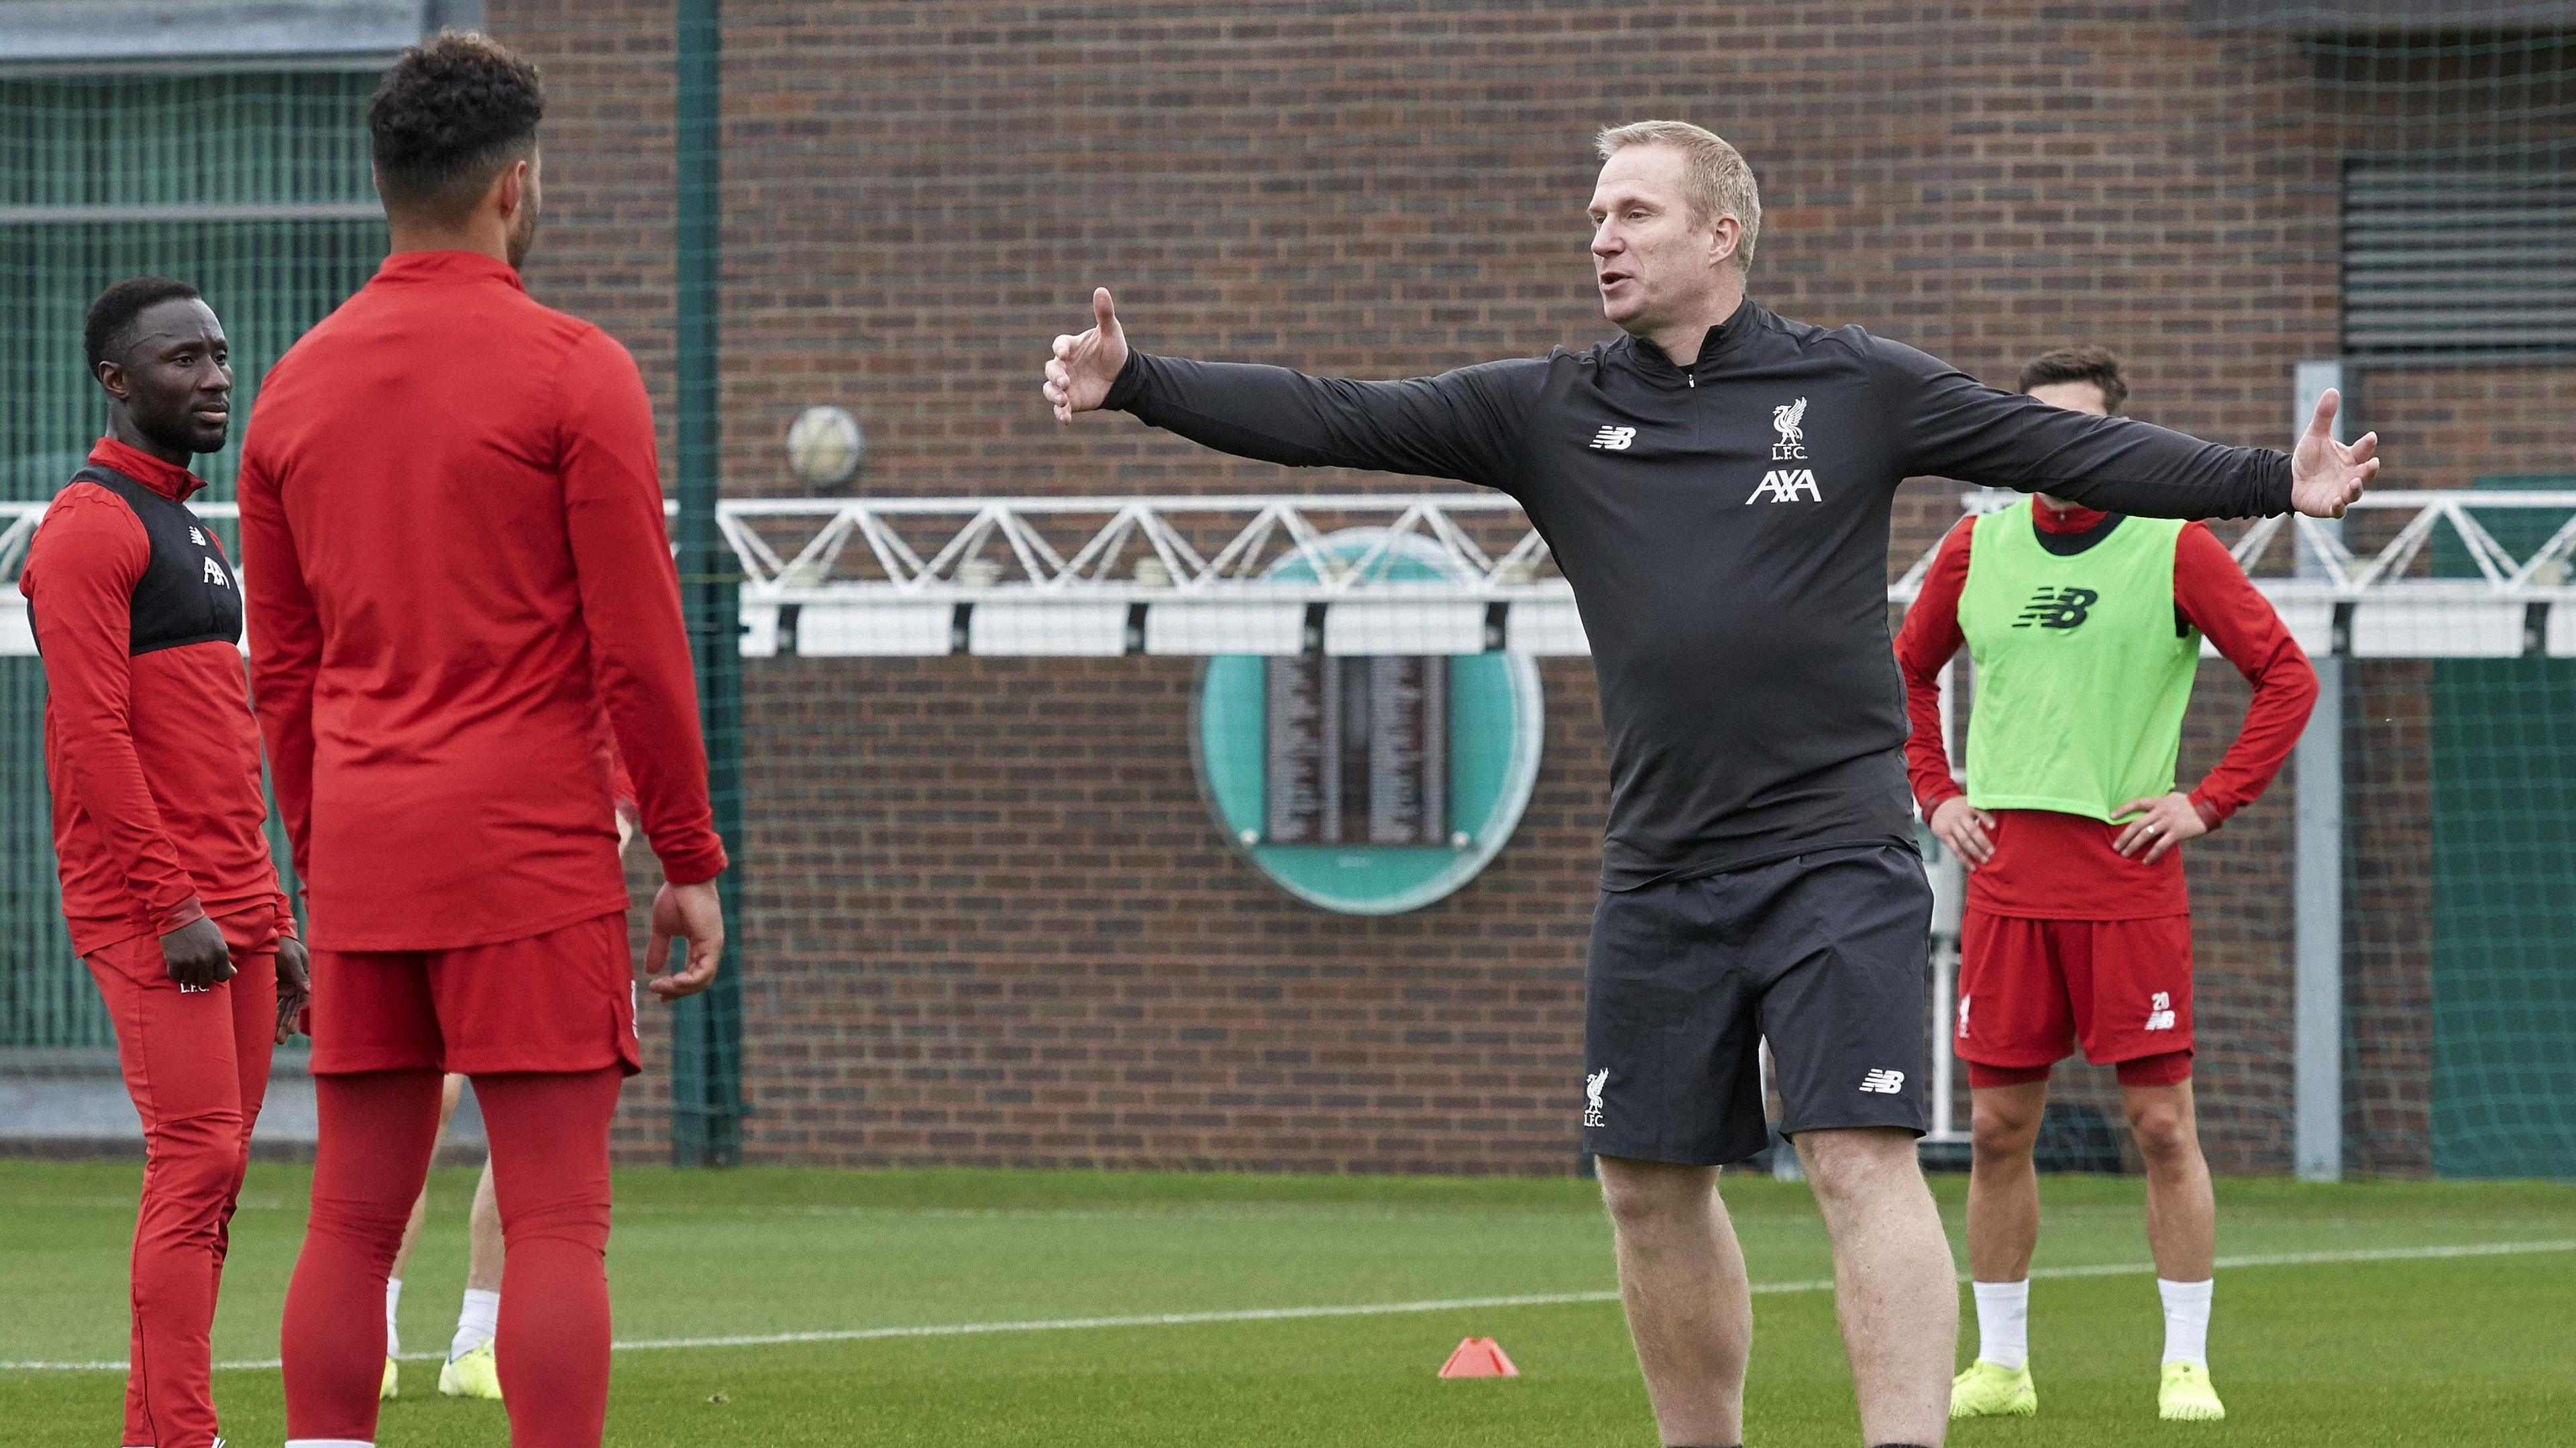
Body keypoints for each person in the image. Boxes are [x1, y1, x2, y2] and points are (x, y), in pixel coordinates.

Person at [1041, 120, 2377, 1448]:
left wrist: (2277, 482)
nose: (1601, 238)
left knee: (1859, 1153)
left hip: (1834, 849)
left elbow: (2070, 455)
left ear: (1720, 233)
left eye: (1631, 213)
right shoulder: (1548, 406)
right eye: (1594, 219)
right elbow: (1338, 415)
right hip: (1661, 862)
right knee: (1641, 1184)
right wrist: (1141, 377)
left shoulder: (1856, 384)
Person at [239, 32, 729, 1448]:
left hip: (372, 856)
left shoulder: (291, 391)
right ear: (515, 187)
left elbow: (286, 675)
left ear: (383, 183)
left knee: (349, 1212)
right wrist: (688, 854)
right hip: (527, 854)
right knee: (560, 1216)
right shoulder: (577, 370)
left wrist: (327, 861)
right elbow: (640, 648)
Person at [1895, 347, 2320, 1424]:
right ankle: (2002, 1362)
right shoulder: (1972, 548)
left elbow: (2287, 675)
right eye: (2039, 430)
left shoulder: (2174, 546)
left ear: (2121, 441)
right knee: (1995, 1129)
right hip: (2004, 883)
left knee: (2162, 1126)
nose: (2059, 451)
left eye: (2082, 430)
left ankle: (2185, 1362)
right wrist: (1936, 791)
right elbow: (1903, 669)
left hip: (2129, 878)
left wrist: (2209, 799)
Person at [20, 276, 311, 1448]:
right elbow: (94, 739)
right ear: (116, 380)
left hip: (231, 903)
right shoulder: (87, 525)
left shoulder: (188, 520)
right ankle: (171, 1431)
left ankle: (171, 1424)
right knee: (195, 1162)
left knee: (219, 1174)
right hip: (158, 912)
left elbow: (216, 743)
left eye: (221, 354)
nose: (215, 376)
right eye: (183, 358)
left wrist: (272, 913)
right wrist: (178, 900)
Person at [382, 787, 639, 1404]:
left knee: (535, 1124)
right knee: (423, 1104)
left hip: (549, 925)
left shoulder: (601, 710)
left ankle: (475, 1338)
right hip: (441, 908)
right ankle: (376, 1329)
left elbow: (616, 818)